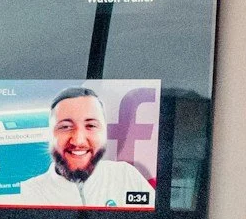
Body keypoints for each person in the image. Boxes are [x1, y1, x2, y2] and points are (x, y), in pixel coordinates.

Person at [14, 87, 155, 208]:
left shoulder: (126, 176)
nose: (78, 140)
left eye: (91, 126)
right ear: (49, 134)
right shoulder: (26, 193)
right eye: (65, 127)